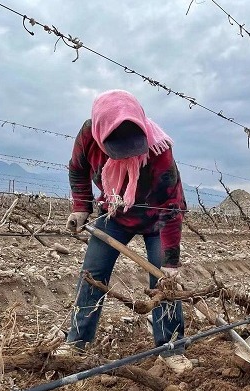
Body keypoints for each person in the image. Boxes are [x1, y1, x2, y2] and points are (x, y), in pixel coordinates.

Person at [63, 89, 191, 374]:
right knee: (92, 273)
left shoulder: (159, 150)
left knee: (164, 283)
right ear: (100, 133)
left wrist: (170, 262)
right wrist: (81, 206)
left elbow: (172, 207)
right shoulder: (89, 135)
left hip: (158, 218)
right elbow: (77, 169)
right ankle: (76, 343)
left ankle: (171, 346)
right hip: (115, 212)